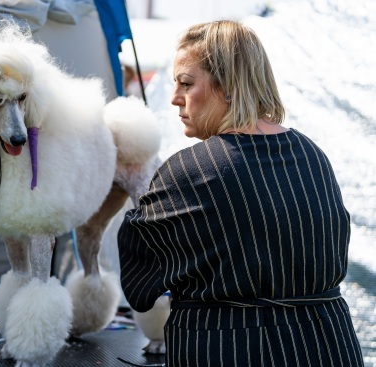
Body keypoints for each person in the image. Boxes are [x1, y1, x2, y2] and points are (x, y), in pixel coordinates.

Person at [117, 20, 364, 366]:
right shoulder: (313, 155)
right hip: (327, 344)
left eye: (186, 84)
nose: (174, 98)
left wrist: (134, 189)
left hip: (234, 347)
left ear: (229, 86)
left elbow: (140, 283)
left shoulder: (191, 170)